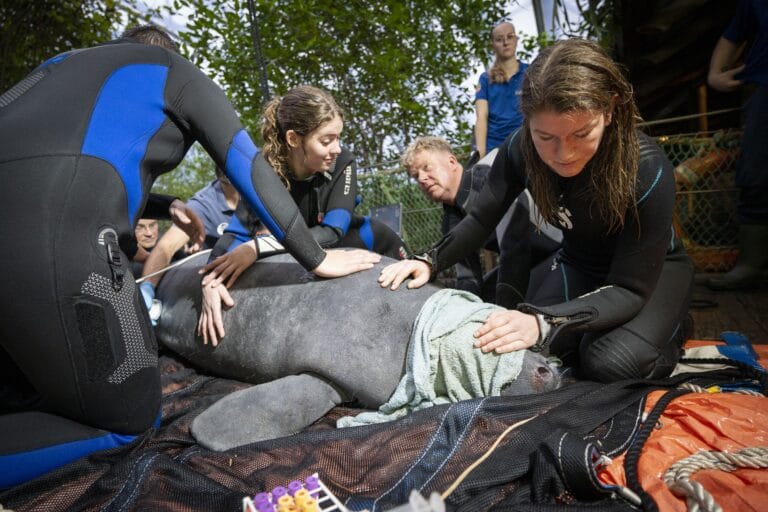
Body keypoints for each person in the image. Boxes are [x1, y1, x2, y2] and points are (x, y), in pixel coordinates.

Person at [0, 25, 378, 489]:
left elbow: (41, 159)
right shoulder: (175, 73)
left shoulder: (56, 65)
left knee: (18, 393)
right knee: (128, 420)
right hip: (59, 236)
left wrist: (166, 204)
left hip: (25, 238)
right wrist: (315, 257)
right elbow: (242, 161)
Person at [379, 39, 694, 384]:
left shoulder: (645, 168)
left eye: (581, 133)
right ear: (527, 120)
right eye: (545, 136)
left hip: (648, 276)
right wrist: (429, 260)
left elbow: (629, 289)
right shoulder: (518, 149)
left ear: (610, 110)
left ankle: (672, 327)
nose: (564, 154)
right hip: (580, 263)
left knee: (607, 362)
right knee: (521, 347)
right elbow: (482, 218)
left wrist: (544, 322)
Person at [198, 85, 409, 344]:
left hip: (372, 243)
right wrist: (211, 280)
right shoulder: (263, 172)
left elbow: (332, 232)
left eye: (339, 137)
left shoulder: (343, 162)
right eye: (326, 140)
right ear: (293, 140)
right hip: (308, 253)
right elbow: (235, 233)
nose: (338, 148)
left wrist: (257, 248)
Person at [401, 136, 560, 305]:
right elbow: (468, 277)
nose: (422, 178)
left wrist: (504, 311)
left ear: (452, 162)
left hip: (559, 251)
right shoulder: (451, 220)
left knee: (511, 303)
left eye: (427, 168)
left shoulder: (488, 174)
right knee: (480, 296)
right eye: (416, 176)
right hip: (528, 263)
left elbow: (515, 247)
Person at [705, 0, 768, 290]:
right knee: (756, 173)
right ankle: (752, 266)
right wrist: (715, 74)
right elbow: (735, 33)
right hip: (764, 89)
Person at [471, 20, 528, 166]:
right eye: (499, 39)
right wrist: (481, 158)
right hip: (495, 150)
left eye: (510, 37)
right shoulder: (485, 79)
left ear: (516, 40)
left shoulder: (531, 72)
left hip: (527, 145)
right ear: (493, 45)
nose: (505, 42)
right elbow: (481, 118)